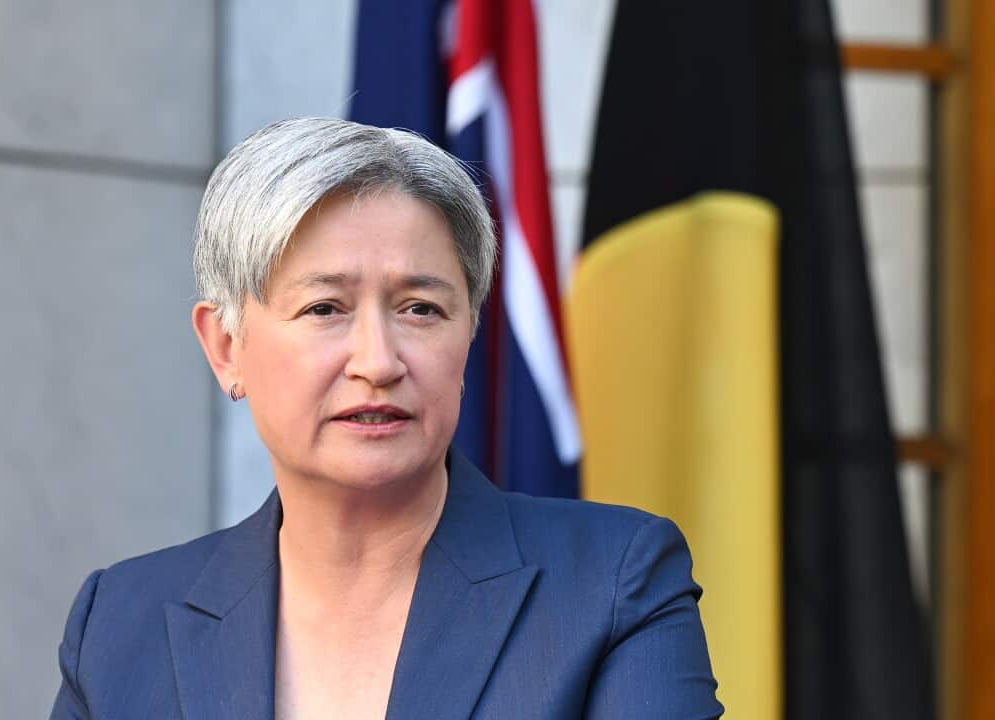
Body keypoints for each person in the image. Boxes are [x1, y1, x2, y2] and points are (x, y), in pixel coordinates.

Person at [49, 117, 722, 719]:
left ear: (469, 333)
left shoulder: (610, 582)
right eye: (325, 309)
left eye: (420, 309)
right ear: (227, 347)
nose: (378, 361)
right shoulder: (119, 621)